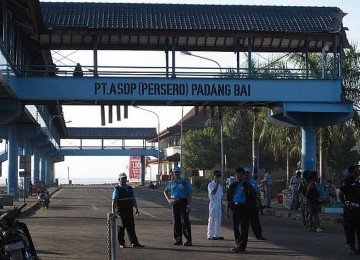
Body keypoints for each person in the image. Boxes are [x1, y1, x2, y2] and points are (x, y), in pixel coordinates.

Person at [226, 167, 257, 253]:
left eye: (241, 174)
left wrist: (250, 208)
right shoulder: (232, 185)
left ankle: (242, 246)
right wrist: (227, 210)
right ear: (236, 176)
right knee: (236, 227)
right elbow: (228, 198)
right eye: (238, 174)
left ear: (243, 175)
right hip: (235, 208)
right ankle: (238, 244)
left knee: (244, 227)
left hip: (245, 208)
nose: (239, 176)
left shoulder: (248, 185)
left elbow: (253, 197)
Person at [112, 172, 144, 248]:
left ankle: (134, 243)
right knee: (120, 229)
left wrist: (136, 208)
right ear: (119, 180)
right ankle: (121, 243)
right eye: (122, 179)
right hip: (120, 212)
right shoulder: (117, 189)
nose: (124, 180)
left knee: (131, 228)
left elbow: (133, 199)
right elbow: (114, 201)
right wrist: (113, 212)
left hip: (129, 211)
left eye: (125, 178)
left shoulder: (129, 188)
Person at [164, 166, 193, 246]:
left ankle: (188, 240)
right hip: (175, 202)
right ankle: (178, 240)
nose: (177, 174)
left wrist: (189, 205)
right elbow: (165, 191)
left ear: (180, 173)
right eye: (175, 172)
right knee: (176, 222)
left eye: (178, 172)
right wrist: (168, 199)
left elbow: (189, 193)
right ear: (173, 173)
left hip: (183, 202)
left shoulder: (185, 182)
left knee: (185, 221)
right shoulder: (172, 183)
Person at [339, 163, 360, 255]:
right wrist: (346, 204)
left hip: (358, 209)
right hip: (350, 210)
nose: (359, 170)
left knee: (359, 229)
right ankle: (352, 247)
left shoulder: (357, 181)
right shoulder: (347, 180)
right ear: (352, 170)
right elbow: (341, 193)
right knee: (350, 228)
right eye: (357, 169)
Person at [244, 167, 266, 240]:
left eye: (248, 173)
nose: (247, 174)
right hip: (244, 205)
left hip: (252, 204)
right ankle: (243, 238)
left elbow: (257, 193)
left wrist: (259, 205)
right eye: (245, 173)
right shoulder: (241, 182)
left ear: (250, 174)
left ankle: (259, 235)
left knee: (256, 221)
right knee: (244, 223)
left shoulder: (253, 182)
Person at [207, 170, 224, 240]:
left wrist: (222, 206)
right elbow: (213, 193)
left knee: (218, 220)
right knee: (212, 219)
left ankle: (216, 235)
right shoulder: (210, 184)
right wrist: (216, 184)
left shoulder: (220, 185)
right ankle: (210, 235)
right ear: (214, 176)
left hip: (219, 204)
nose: (218, 178)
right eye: (216, 176)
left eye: (219, 176)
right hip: (213, 204)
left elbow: (220, 196)